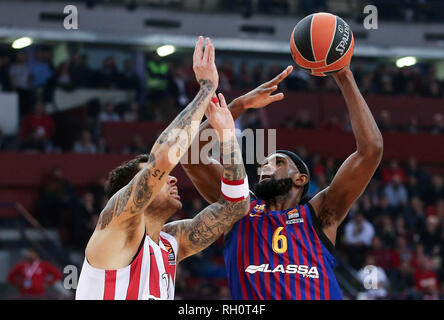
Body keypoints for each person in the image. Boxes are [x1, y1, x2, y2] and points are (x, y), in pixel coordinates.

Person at [182, 65, 383, 300]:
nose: (265, 167)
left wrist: (344, 75)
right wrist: (238, 107)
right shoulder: (238, 208)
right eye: (263, 164)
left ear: (301, 179)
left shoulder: (321, 213)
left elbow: (371, 150)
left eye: (277, 162)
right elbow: (191, 157)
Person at [75, 36, 250, 300]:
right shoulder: (117, 224)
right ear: (131, 191)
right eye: (160, 178)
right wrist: (206, 88)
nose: (171, 180)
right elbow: (167, 156)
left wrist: (226, 135)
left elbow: (236, 207)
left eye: (168, 177)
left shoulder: (171, 242)